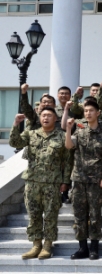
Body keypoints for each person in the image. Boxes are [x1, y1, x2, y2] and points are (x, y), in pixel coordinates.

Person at [9, 108, 72, 259]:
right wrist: (16, 124)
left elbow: (68, 161)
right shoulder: (31, 134)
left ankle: (47, 245)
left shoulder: (62, 136)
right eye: (43, 115)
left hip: (52, 183)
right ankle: (36, 244)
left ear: (56, 118)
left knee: (51, 215)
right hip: (32, 182)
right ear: (39, 117)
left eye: (49, 115)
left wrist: (66, 181)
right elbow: (14, 142)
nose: (46, 118)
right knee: (34, 215)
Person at [64, 101, 102, 260]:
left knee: (95, 214)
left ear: (98, 113)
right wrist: (69, 129)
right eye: (85, 111)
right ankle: (82, 247)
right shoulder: (80, 129)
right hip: (78, 178)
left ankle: (94, 248)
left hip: (96, 180)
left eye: (91, 110)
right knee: (79, 214)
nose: (88, 113)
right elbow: (69, 146)